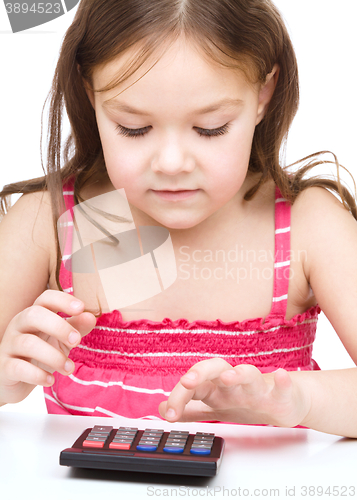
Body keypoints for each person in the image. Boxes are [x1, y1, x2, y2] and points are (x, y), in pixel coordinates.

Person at [0, 0, 356, 437]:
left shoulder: (307, 228)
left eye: (210, 127)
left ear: (264, 94)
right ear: (91, 93)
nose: (171, 163)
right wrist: (6, 377)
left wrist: (301, 399)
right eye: (134, 128)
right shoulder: (50, 226)